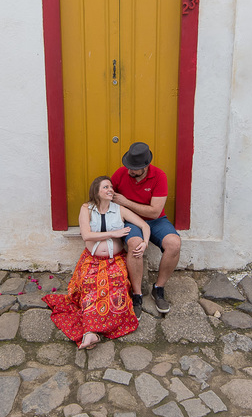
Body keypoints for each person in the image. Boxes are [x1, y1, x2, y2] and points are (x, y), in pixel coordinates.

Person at [44, 176, 151, 349]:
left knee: (116, 288)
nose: (110, 189)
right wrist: (113, 234)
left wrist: (145, 243)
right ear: (96, 191)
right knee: (90, 286)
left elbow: (145, 226)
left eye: (111, 187)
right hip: (91, 260)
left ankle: (93, 332)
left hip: (115, 260)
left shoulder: (119, 209)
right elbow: (86, 235)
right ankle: (90, 332)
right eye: (105, 187)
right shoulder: (86, 209)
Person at [111, 142, 181, 315]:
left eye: (134, 169)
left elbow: (155, 211)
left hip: (155, 221)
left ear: (145, 166)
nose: (130, 171)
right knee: (135, 245)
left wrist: (125, 202)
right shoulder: (120, 174)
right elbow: (107, 195)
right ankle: (137, 295)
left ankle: (159, 288)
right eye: (128, 166)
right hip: (130, 221)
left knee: (174, 244)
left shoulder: (159, 176)